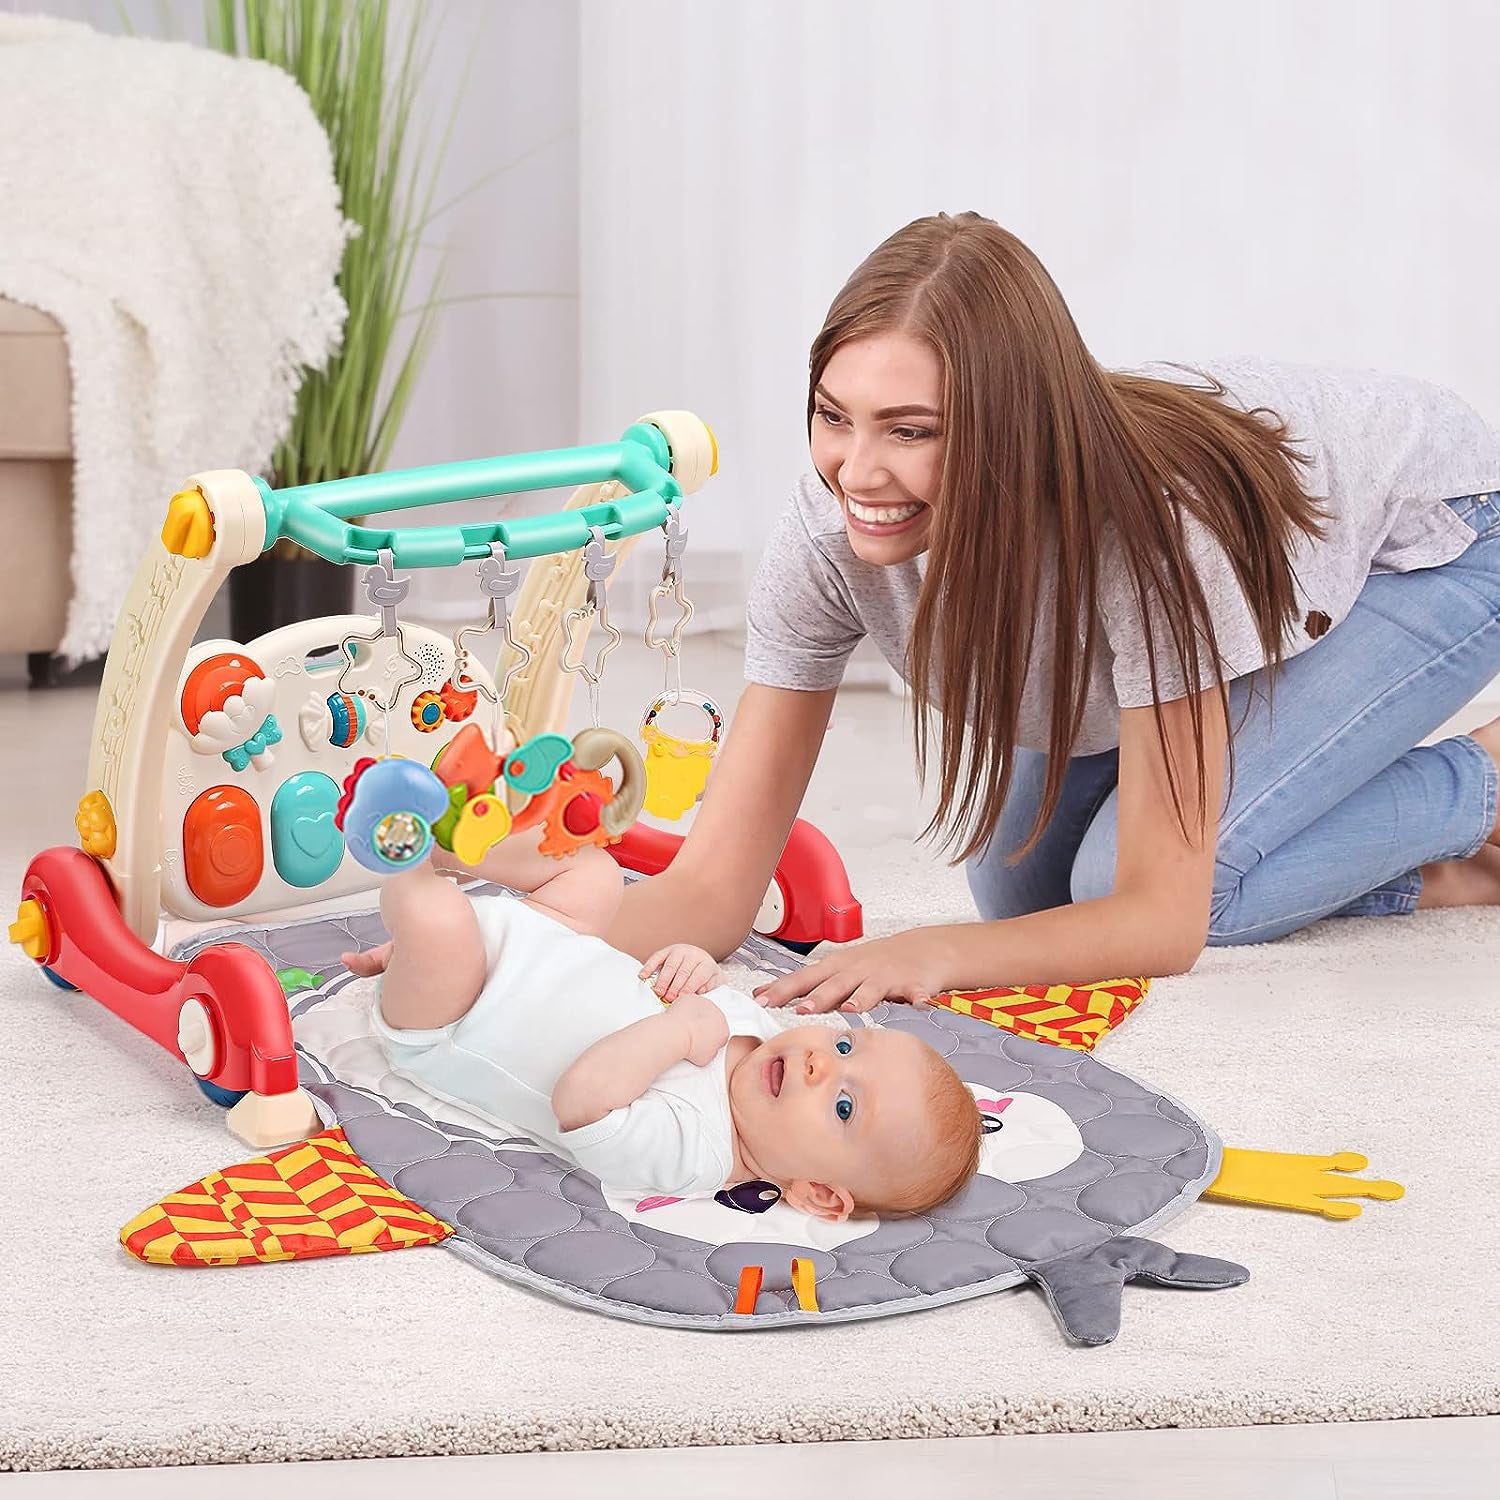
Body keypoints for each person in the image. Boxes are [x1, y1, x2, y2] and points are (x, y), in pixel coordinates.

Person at [603, 211, 1500, 1013]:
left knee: (1143, 887)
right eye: (835, 416)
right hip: (1276, 563)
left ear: (1013, 427)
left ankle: (1482, 792)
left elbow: (1161, 922)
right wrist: (510, 944)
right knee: (1025, 898)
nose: (857, 471)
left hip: (1442, 539)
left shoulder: (1145, 531)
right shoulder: (827, 534)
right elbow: (713, 890)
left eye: (911, 430)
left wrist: (931, 952)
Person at [341, 830, 981, 1221]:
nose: (822, 1062)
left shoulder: (695, 1153)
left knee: (442, 925)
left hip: (460, 1014)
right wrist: (691, 964)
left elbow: (583, 1102)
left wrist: (679, 1033)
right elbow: (683, 987)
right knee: (591, 872)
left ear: (816, 1192)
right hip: (549, 937)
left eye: (844, 1105)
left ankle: (399, 847)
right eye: (845, 1044)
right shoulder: (761, 1035)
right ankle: (457, 839)